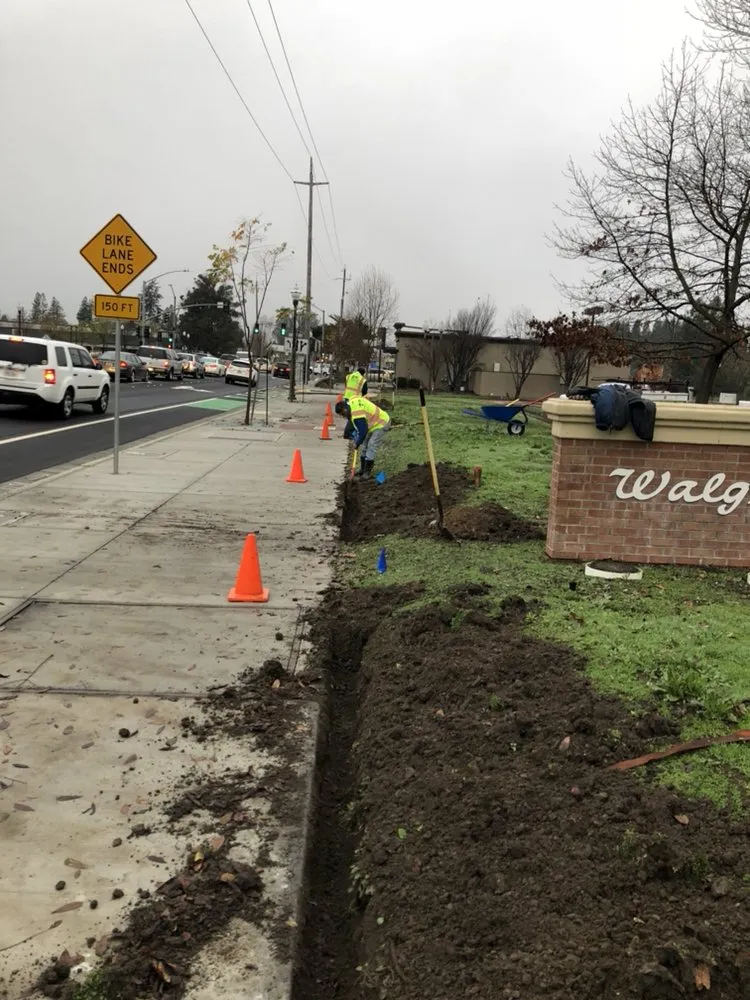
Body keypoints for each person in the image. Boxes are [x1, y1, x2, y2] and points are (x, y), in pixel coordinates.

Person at [335, 395, 391, 478]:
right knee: (364, 444)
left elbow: (363, 431)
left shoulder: (357, 413)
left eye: (343, 414)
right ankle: (362, 469)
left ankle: (367, 472)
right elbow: (358, 428)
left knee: (371, 445)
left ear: (345, 409)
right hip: (372, 424)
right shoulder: (351, 404)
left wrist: (357, 443)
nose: (344, 416)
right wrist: (355, 437)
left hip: (382, 422)